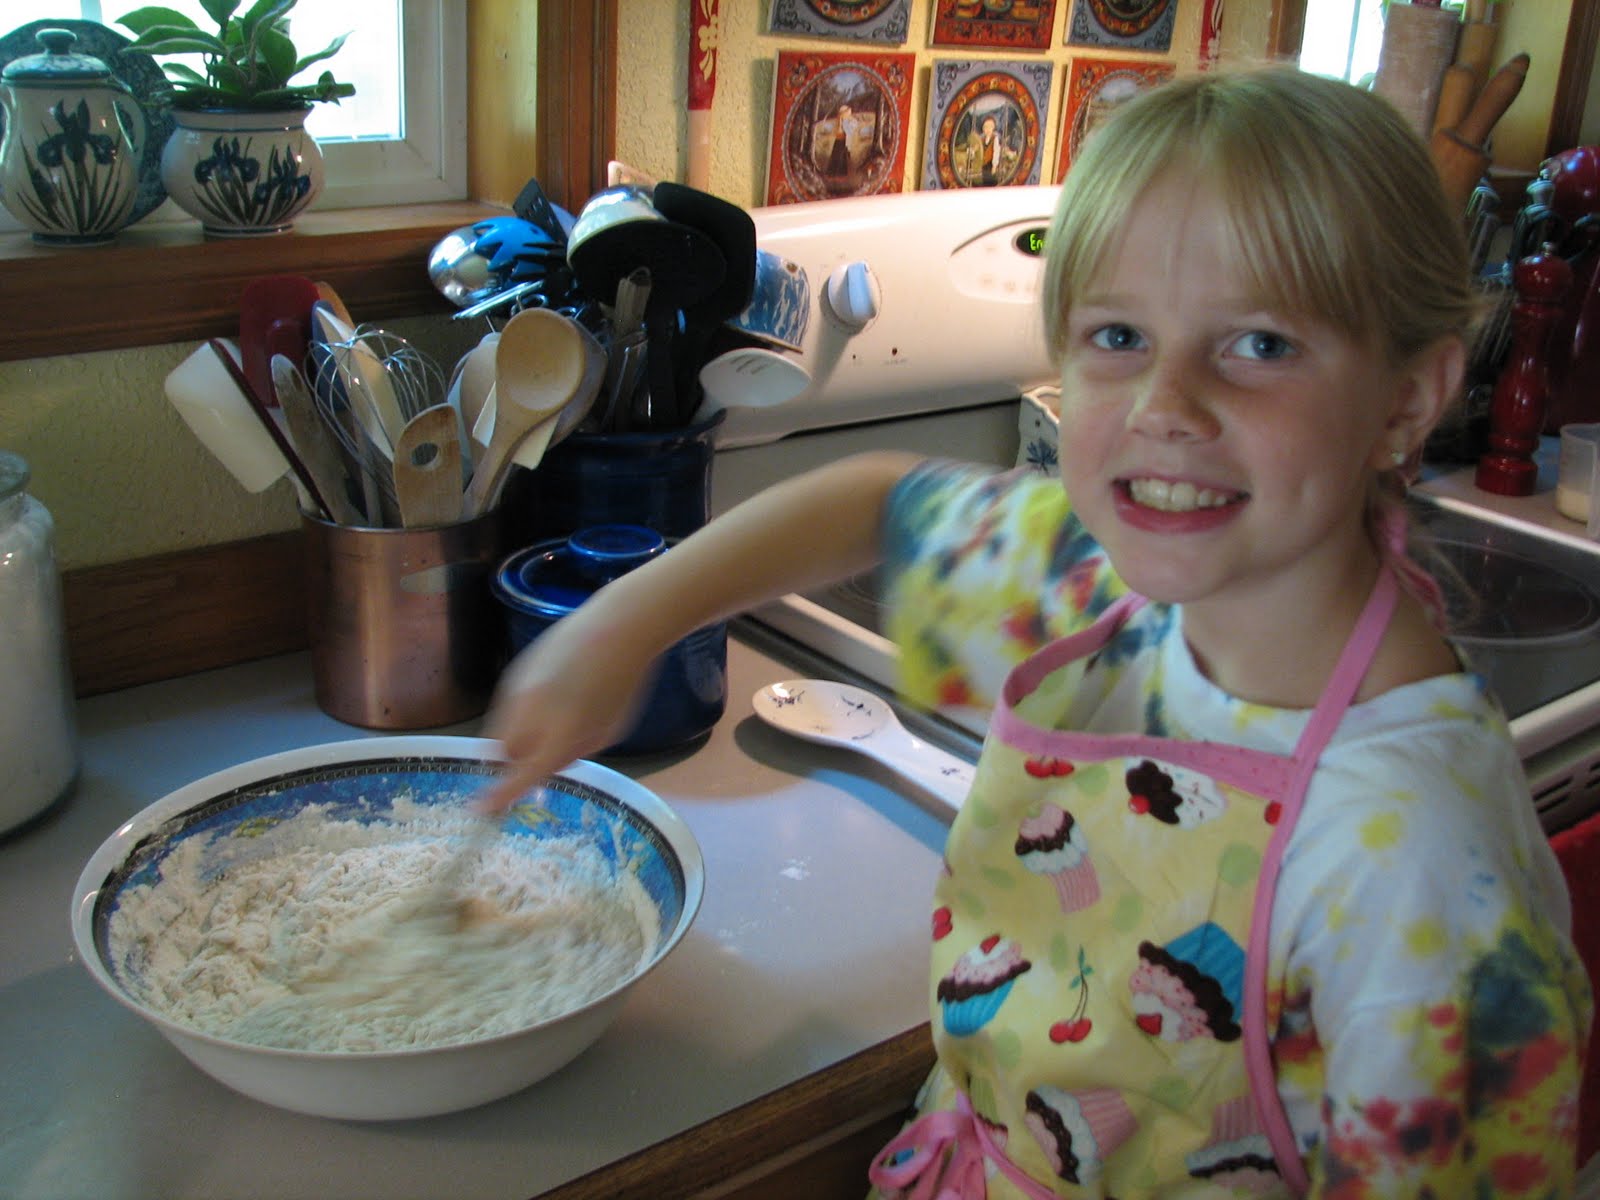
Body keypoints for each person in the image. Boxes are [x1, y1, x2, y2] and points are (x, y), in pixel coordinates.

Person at [483, 65, 1592, 1196]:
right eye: (1116, 334)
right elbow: (869, 503)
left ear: (1408, 401)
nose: (1166, 405)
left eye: (1258, 344)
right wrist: (620, 627)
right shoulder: (1102, 580)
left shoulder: (1418, 871)